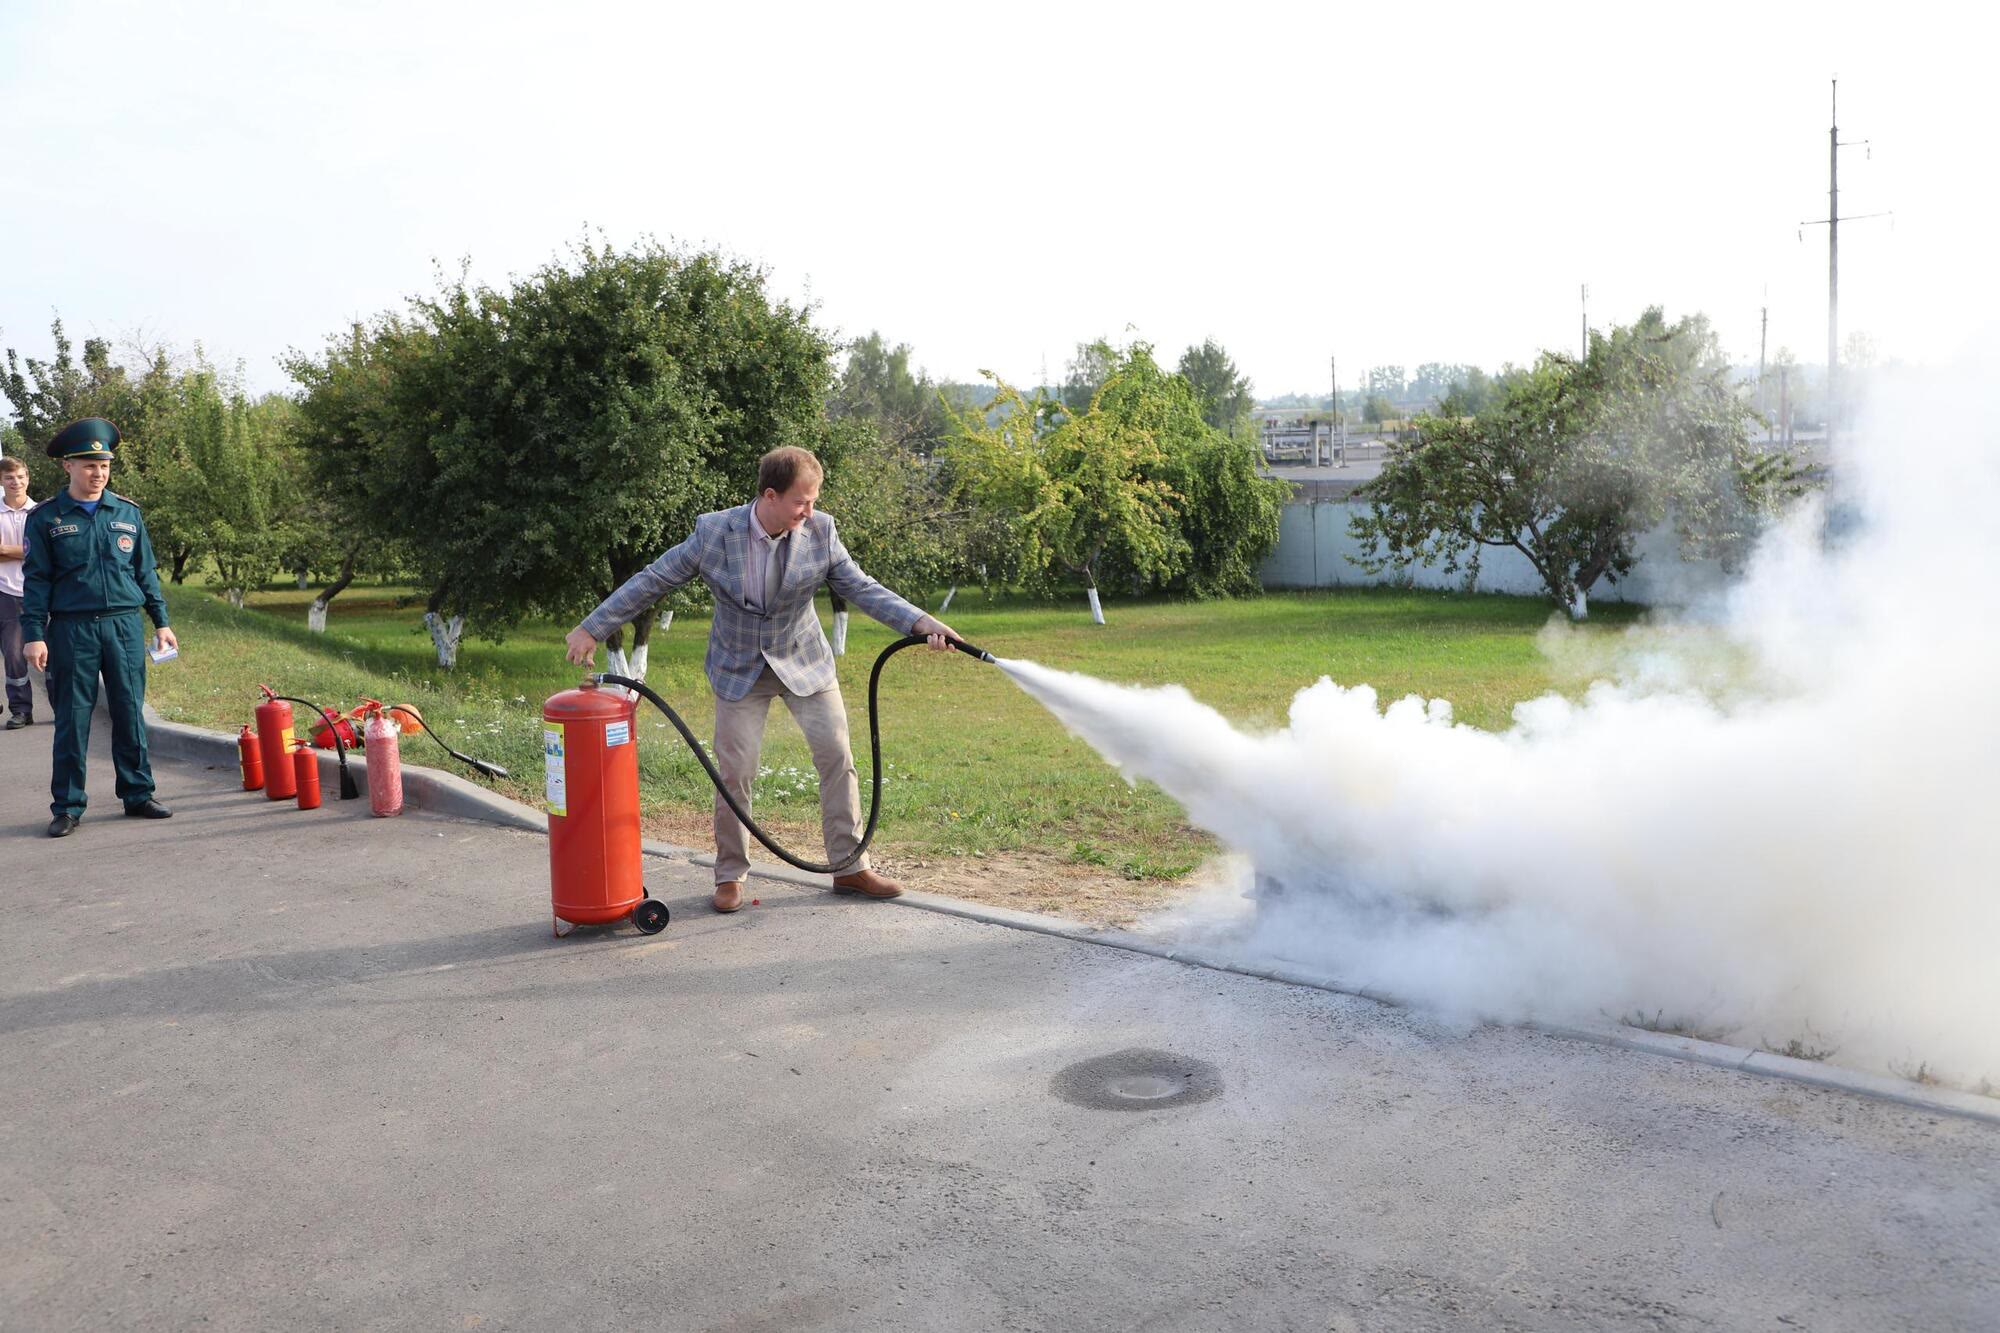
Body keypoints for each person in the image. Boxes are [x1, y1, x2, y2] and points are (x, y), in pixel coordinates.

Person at [564, 445, 961, 913]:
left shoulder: (822, 531)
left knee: (837, 757)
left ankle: (850, 867)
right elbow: (654, 579)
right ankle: (730, 874)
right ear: (769, 496)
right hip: (738, 668)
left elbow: (862, 587)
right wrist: (594, 626)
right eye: (801, 502)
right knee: (735, 772)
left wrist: (921, 623)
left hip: (804, 662)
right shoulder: (714, 532)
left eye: (814, 501)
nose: (810, 511)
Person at [20, 418, 179, 837]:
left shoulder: (127, 513)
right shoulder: (46, 518)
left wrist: (161, 622)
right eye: (89, 465)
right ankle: (68, 806)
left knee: (129, 711)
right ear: (68, 466)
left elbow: (146, 573)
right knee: (73, 719)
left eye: (104, 465)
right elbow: (36, 580)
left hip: (124, 626)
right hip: (72, 630)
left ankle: (138, 793)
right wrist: (34, 633)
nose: (98, 473)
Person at [0, 455, 47, 729]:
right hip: (5, 591)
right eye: (9, 478)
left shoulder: (41, 512)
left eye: (20, 476)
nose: (15, 482)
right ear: (1, 481)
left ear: (28, 478)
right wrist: (25, 551)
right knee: (14, 654)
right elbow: (32, 552)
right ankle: (21, 710)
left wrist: (6, 550)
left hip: (36, 590)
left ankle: (62, 707)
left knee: (46, 653)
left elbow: (43, 554)